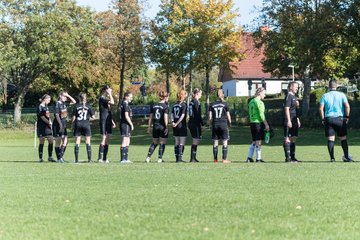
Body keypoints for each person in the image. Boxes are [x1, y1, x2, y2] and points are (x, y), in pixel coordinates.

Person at [319, 80, 352, 162]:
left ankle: (332, 158)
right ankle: (347, 157)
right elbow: (347, 106)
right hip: (340, 119)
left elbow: (320, 108)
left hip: (329, 119)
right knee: (343, 138)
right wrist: (347, 116)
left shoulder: (325, 96)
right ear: (336, 86)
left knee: (331, 139)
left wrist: (323, 118)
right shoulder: (341, 95)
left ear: (329, 86)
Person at [246, 87, 269, 163]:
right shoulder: (259, 102)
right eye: (264, 93)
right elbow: (261, 115)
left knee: (254, 141)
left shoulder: (251, 101)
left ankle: (249, 158)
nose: (265, 95)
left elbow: (249, 113)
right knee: (258, 141)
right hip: (258, 123)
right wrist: (266, 124)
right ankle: (258, 158)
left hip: (252, 123)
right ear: (260, 93)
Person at [145, 91, 169, 163]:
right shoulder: (165, 106)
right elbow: (165, 117)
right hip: (162, 127)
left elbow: (151, 117)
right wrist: (167, 127)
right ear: (165, 97)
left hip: (155, 126)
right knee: (162, 142)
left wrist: (149, 126)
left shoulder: (154, 105)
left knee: (154, 142)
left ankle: (148, 157)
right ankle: (160, 158)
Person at [208, 89, 231, 163]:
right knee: (224, 142)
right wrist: (230, 123)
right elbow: (228, 116)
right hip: (223, 124)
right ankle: (224, 159)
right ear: (223, 95)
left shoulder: (212, 104)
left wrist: (210, 124)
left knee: (215, 142)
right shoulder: (225, 104)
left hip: (215, 124)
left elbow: (210, 116)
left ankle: (215, 159)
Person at [52, 92, 76, 163]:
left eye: (66, 97)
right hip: (58, 125)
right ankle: (59, 158)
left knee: (66, 141)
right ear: (60, 96)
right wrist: (60, 125)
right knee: (58, 142)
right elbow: (56, 115)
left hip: (63, 125)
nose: (65, 98)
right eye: (64, 96)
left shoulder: (64, 104)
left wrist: (68, 95)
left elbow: (74, 102)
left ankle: (60, 157)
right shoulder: (57, 104)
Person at [72, 93, 94, 163]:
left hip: (78, 124)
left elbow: (74, 118)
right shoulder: (89, 106)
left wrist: (72, 125)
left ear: (79, 98)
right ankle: (89, 159)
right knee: (88, 142)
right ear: (86, 98)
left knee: (77, 142)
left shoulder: (76, 106)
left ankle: (76, 160)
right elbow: (93, 117)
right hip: (86, 125)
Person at [283, 82, 301, 162]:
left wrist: (297, 119)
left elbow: (295, 110)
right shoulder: (289, 96)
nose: (297, 88)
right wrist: (289, 121)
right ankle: (288, 158)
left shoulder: (294, 97)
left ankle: (293, 157)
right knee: (287, 138)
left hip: (294, 120)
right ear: (290, 87)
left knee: (293, 138)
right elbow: (287, 109)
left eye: (297, 87)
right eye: (295, 87)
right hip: (289, 120)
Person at [98, 85, 116, 163]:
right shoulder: (102, 98)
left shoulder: (106, 98)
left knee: (108, 139)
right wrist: (110, 94)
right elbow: (112, 102)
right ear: (105, 90)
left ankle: (105, 158)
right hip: (103, 120)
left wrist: (112, 121)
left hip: (108, 120)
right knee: (103, 138)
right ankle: (99, 158)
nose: (110, 90)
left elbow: (108, 110)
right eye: (109, 89)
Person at [37, 94, 55, 162]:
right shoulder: (40, 107)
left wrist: (50, 122)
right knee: (42, 141)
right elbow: (42, 117)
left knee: (51, 140)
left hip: (47, 127)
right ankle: (40, 158)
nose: (49, 101)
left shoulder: (46, 107)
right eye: (48, 100)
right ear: (45, 99)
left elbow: (48, 116)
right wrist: (48, 122)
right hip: (41, 127)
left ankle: (50, 157)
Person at [188, 88, 204, 162]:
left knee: (196, 140)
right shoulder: (196, 102)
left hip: (191, 122)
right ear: (197, 94)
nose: (201, 95)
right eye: (200, 93)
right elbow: (198, 114)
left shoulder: (191, 102)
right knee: (196, 140)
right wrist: (202, 124)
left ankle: (193, 157)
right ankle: (192, 158)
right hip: (195, 123)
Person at [172, 90, 188, 163]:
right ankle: (179, 158)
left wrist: (173, 122)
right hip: (181, 125)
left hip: (174, 125)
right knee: (181, 142)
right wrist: (177, 123)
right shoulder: (184, 105)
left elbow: (171, 114)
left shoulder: (174, 104)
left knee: (176, 142)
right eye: (185, 94)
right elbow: (182, 115)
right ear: (183, 95)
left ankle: (176, 158)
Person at [119, 92, 134, 163]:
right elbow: (126, 116)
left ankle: (126, 158)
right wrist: (131, 124)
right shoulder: (125, 104)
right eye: (130, 97)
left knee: (128, 141)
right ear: (126, 97)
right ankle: (122, 159)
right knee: (125, 141)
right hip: (125, 124)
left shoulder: (126, 104)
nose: (131, 98)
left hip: (127, 124)